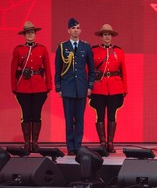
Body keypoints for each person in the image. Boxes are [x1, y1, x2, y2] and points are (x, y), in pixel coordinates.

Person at [55, 18, 95, 155]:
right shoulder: (62, 47)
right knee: (68, 119)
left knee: (79, 120)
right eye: (73, 28)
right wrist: (58, 87)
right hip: (67, 88)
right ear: (68, 30)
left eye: (78, 28)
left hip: (82, 89)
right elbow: (58, 68)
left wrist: (89, 86)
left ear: (80, 30)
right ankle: (70, 147)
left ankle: (78, 146)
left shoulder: (86, 47)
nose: (75, 30)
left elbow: (92, 69)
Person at [11, 21, 52, 153]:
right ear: (24, 34)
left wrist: (48, 86)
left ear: (35, 34)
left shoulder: (42, 49)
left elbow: (47, 69)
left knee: (36, 115)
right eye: (28, 32)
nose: (30, 34)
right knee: (26, 116)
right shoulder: (18, 49)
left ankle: (35, 143)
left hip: (39, 87)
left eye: (32, 32)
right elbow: (13, 70)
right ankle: (27, 142)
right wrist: (14, 87)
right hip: (23, 88)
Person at [89, 24, 128, 153]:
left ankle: (110, 143)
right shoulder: (93, 50)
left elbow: (123, 71)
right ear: (101, 36)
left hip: (115, 87)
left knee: (112, 115)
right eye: (105, 34)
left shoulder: (119, 51)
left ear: (112, 36)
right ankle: (102, 142)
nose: (107, 37)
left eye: (109, 34)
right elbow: (88, 70)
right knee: (99, 115)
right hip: (98, 87)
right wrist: (88, 87)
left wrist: (124, 89)